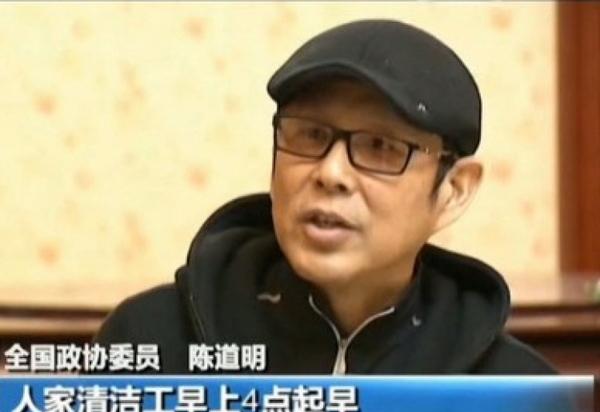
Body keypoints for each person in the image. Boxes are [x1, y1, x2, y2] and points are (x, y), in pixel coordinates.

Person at [96, 19, 554, 374]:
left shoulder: (515, 397)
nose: (331, 173)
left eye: (380, 147)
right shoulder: (147, 345)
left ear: (453, 191)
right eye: (310, 135)